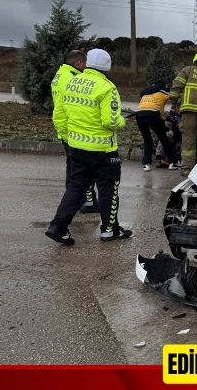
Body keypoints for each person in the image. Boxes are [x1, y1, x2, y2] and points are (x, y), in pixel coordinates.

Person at [45, 49, 132, 245]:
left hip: (77, 147)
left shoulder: (70, 83)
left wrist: (69, 138)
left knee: (76, 188)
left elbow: (59, 116)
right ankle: (109, 230)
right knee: (108, 189)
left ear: (87, 63)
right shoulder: (107, 87)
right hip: (103, 150)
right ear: (107, 66)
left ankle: (58, 226)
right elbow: (110, 121)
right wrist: (122, 120)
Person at [50, 50, 98, 214]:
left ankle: (76, 200)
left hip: (66, 128)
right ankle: (85, 201)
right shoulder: (72, 78)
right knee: (82, 168)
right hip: (73, 129)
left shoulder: (60, 74)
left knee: (73, 167)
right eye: (85, 64)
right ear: (79, 63)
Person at [136, 80, 179, 171]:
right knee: (163, 139)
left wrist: (163, 122)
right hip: (153, 115)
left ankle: (146, 164)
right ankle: (173, 162)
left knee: (147, 140)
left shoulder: (146, 92)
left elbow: (148, 108)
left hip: (140, 116)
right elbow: (175, 94)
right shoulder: (162, 91)